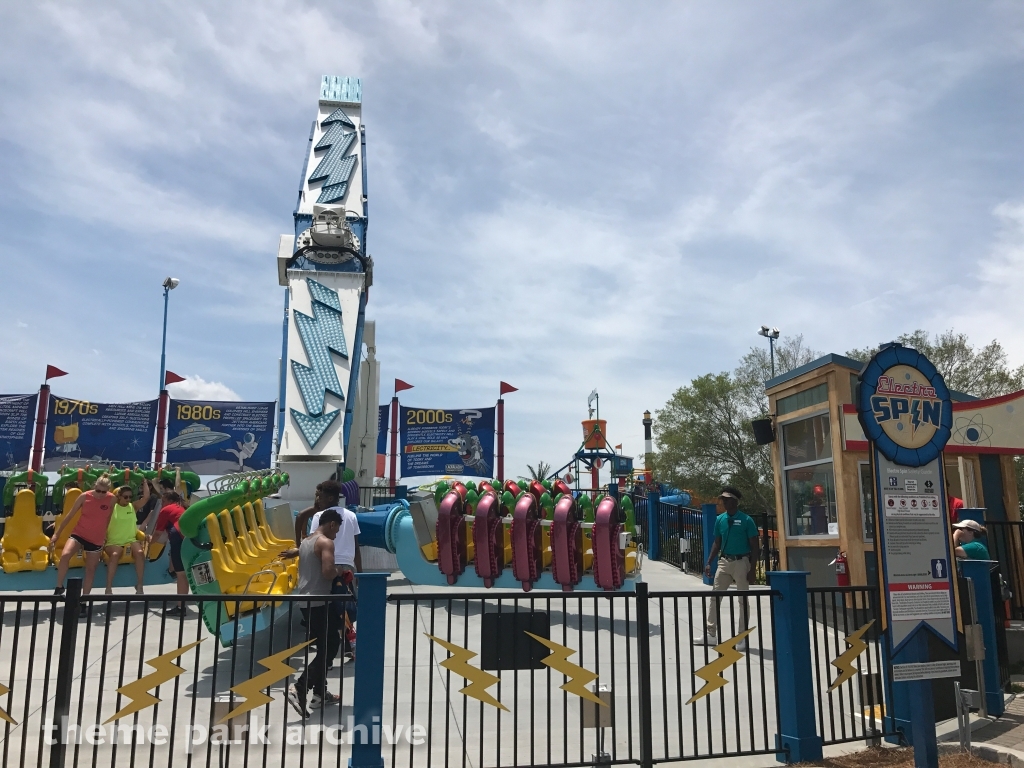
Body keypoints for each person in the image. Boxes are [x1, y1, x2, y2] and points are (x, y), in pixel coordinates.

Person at [281, 509, 344, 718]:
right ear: (332, 524)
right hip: (320, 601)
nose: (336, 535)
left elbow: (304, 553)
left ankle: (318, 693)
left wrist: (293, 553)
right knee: (331, 646)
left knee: (324, 647)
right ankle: (300, 687)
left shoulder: (307, 541)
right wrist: (340, 570)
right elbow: (327, 571)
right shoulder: (326, 542)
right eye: (337, 530)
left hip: (306, 602)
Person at [697, 487, 760, 649]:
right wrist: (710, 562)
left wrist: (752, 569)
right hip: (724, 561)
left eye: (727, 499)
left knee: (742, 600)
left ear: (735, 501)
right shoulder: (720, 519)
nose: (724, 502)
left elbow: (755, 545)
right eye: (722, 499)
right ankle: (711, 634)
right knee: (715, 596)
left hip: (741, 561)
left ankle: (742, 637)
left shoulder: (746, 520)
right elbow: (717, 542)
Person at [52, 474, 116, 607]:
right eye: (98, 491)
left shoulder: (111, 499)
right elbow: (69, 516)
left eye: (103, 492)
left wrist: (105, 535)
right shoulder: (84, 496)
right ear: (94, 486)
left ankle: (84, 601)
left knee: (90, 569)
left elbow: (108, 518)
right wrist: (57, 534)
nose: (100, 494)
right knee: (64, 555)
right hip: (79, 533)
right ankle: (59, 587)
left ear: (108, 490)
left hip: (96, 539)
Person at [102, 483, 151, 595]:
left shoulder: (133, 506)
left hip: (130, 539)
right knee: (115, 554)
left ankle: (139, 585)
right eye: (125, 497)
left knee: (139, 553)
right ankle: (108, 588)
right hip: (113, 541)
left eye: (130, 497)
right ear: (118, 496)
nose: (128, 499)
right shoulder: (111, 507)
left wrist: (143, 481)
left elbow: (146, 497)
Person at [309, 480, 363, 577]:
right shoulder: (352, 516)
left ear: (330, 498)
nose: (318, 500)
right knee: (347, 592)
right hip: (348, 566)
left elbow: (313, 543)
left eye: (320, 497)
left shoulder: (319, 516)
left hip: (326, 564)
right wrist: (360, 572)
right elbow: (356, 547)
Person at [152, 490, 188, 615]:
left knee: (181, 575)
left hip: (177, 538)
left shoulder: (166, 510)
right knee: (183, 574)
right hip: (186, 539)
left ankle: (180, 607)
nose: (162, 504)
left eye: (163, 501)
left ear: (170, 501)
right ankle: (181, 603)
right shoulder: (181, 507)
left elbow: (157, 533)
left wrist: (149, 545)